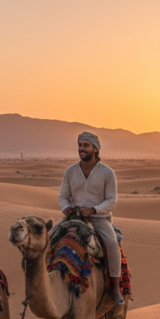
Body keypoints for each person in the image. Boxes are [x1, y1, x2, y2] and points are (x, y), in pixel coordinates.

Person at [58, 131, 124, 305]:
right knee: (50, 238)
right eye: (80, 145)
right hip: (74, 217)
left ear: (95, 149)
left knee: (111, 244)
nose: (81, 148)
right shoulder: (70, 171)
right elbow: (63, 196)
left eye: (86, 145)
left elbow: (111, 201)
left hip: (99, 218)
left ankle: (115, 288)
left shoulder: (107, 173)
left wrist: (94, 210)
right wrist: (65, 208)